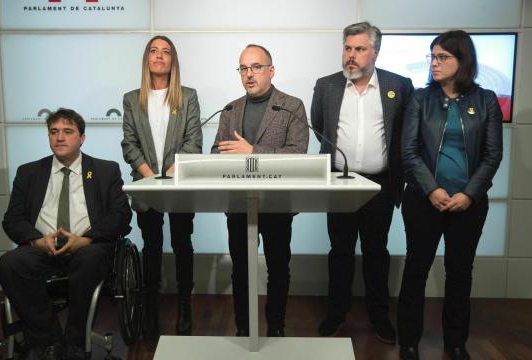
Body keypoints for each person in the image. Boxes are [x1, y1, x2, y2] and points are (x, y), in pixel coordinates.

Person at [397, 30, 503, 360]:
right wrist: (432, 189)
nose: (435, 63)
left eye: (443, 57)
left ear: (463, 60)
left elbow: (492, 155)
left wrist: (469, 194)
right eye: (433, 56)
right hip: (422, 200)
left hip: (468, 205)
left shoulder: (485, 100)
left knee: (460, 272)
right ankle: (409, 341)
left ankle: (455, 342)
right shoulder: (420, 98)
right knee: (416, 269)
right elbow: (409, 151)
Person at [0, 108, 132, 360]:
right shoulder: (29, 172)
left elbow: (121, 216)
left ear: (81, 138)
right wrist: (37, 240)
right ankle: (49, 339)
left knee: (89, 259)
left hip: (87, 246)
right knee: (9, 264)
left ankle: (75, 341)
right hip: (42, 246)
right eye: (54, 132)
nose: (59, 137)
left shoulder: (105, 170)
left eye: (67, 132)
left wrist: (86, 238)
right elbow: (12, 220)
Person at [311, 21, 414, 343]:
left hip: (380, 185)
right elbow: (319, 126)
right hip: (339, 182)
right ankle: (336, 313)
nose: (351, 56)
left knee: (376, 251)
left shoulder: (399, 85)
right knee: (339, 250)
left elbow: (404, 135)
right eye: (347, 48)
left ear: (375, 52)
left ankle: (379, 315)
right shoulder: (326, 86)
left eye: (359, 49)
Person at [211, 44, 309, 337]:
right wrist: (232, 153)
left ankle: (276, 327)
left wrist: (251, 151)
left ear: (271, 70)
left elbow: (298, 153)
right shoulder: (230, 109)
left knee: (278, 269)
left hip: (278, 203)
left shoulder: (292, 106)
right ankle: (243, 328)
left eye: (255, 67)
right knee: (241, 270)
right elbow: (216, 152)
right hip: (238, 203)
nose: (249, 74)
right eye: (243, 68)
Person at [121, 35, 202, 336]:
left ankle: (184, 307)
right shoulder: (132, 99)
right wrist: (149, 175)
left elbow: (193, 142)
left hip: (179, 184)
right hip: (146, 185)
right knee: (152, 246)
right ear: (147, 59)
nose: (159, 56)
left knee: (183, 245)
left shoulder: (188, 96)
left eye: (165, 52)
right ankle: (151, 311)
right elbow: (129, 143)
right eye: (154, 51)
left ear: (172, 61)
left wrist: (170, 173)